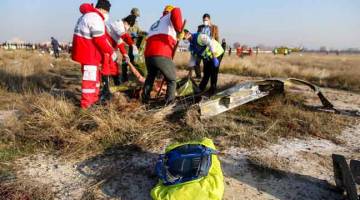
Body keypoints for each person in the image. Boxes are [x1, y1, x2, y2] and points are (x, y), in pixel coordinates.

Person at [71, 0, 116, 109]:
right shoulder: (95, 17)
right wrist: (111, 51)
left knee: (94, 79)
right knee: (90, 81)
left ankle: (94, 99)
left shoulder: (87, 15)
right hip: (88, 54)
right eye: (107, 12)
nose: (107, 15)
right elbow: (99, 39)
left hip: (87, 53)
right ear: (103, 9)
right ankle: (86, 106)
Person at [141, 5, 183, 105]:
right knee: (172, 80)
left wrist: (175, 37)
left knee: (150, 77)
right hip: (161, 53)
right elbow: (177, 10)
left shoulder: (156, 23)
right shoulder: (170, 16)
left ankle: (144, 100)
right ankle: (169, 104)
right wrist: (179, 30)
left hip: (148, 55)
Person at [101, 15, 138, 101]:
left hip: (111, 48)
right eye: (129, 26)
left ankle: (118, 86)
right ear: (127, 23)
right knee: (106, 68)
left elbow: (120, 43)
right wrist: (132, 44)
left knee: (115, 68)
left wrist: (125, 54)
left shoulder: (121, 29)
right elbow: (124, 36)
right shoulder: (118, 24)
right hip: (105, 45)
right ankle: (105, 91)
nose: (128, 28)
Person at [183, 29, 224, 95]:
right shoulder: (191, 45)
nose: (184, 39)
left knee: (213, 72)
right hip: (207, 57)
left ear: (188, 33)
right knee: (206, 73)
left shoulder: (200, 37)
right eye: (183, 38)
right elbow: (192, 58)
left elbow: (210, 43)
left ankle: (212, 91)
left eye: (184, 37)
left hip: (216, 53)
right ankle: (200, 89)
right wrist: (190, 73)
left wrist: (214, 57)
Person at [193, 13, 220, 79]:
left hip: (208, 48)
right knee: (196, 62)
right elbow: (197, 36)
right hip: (200, 48)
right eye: (204, 20)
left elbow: (217, 38)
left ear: (209, 20)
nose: (205, 21)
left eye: (206, 20)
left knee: (206, 65)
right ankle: (198, 76)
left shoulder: (214, 28)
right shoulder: (200, 27)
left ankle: (205, 77)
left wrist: (216, 49)